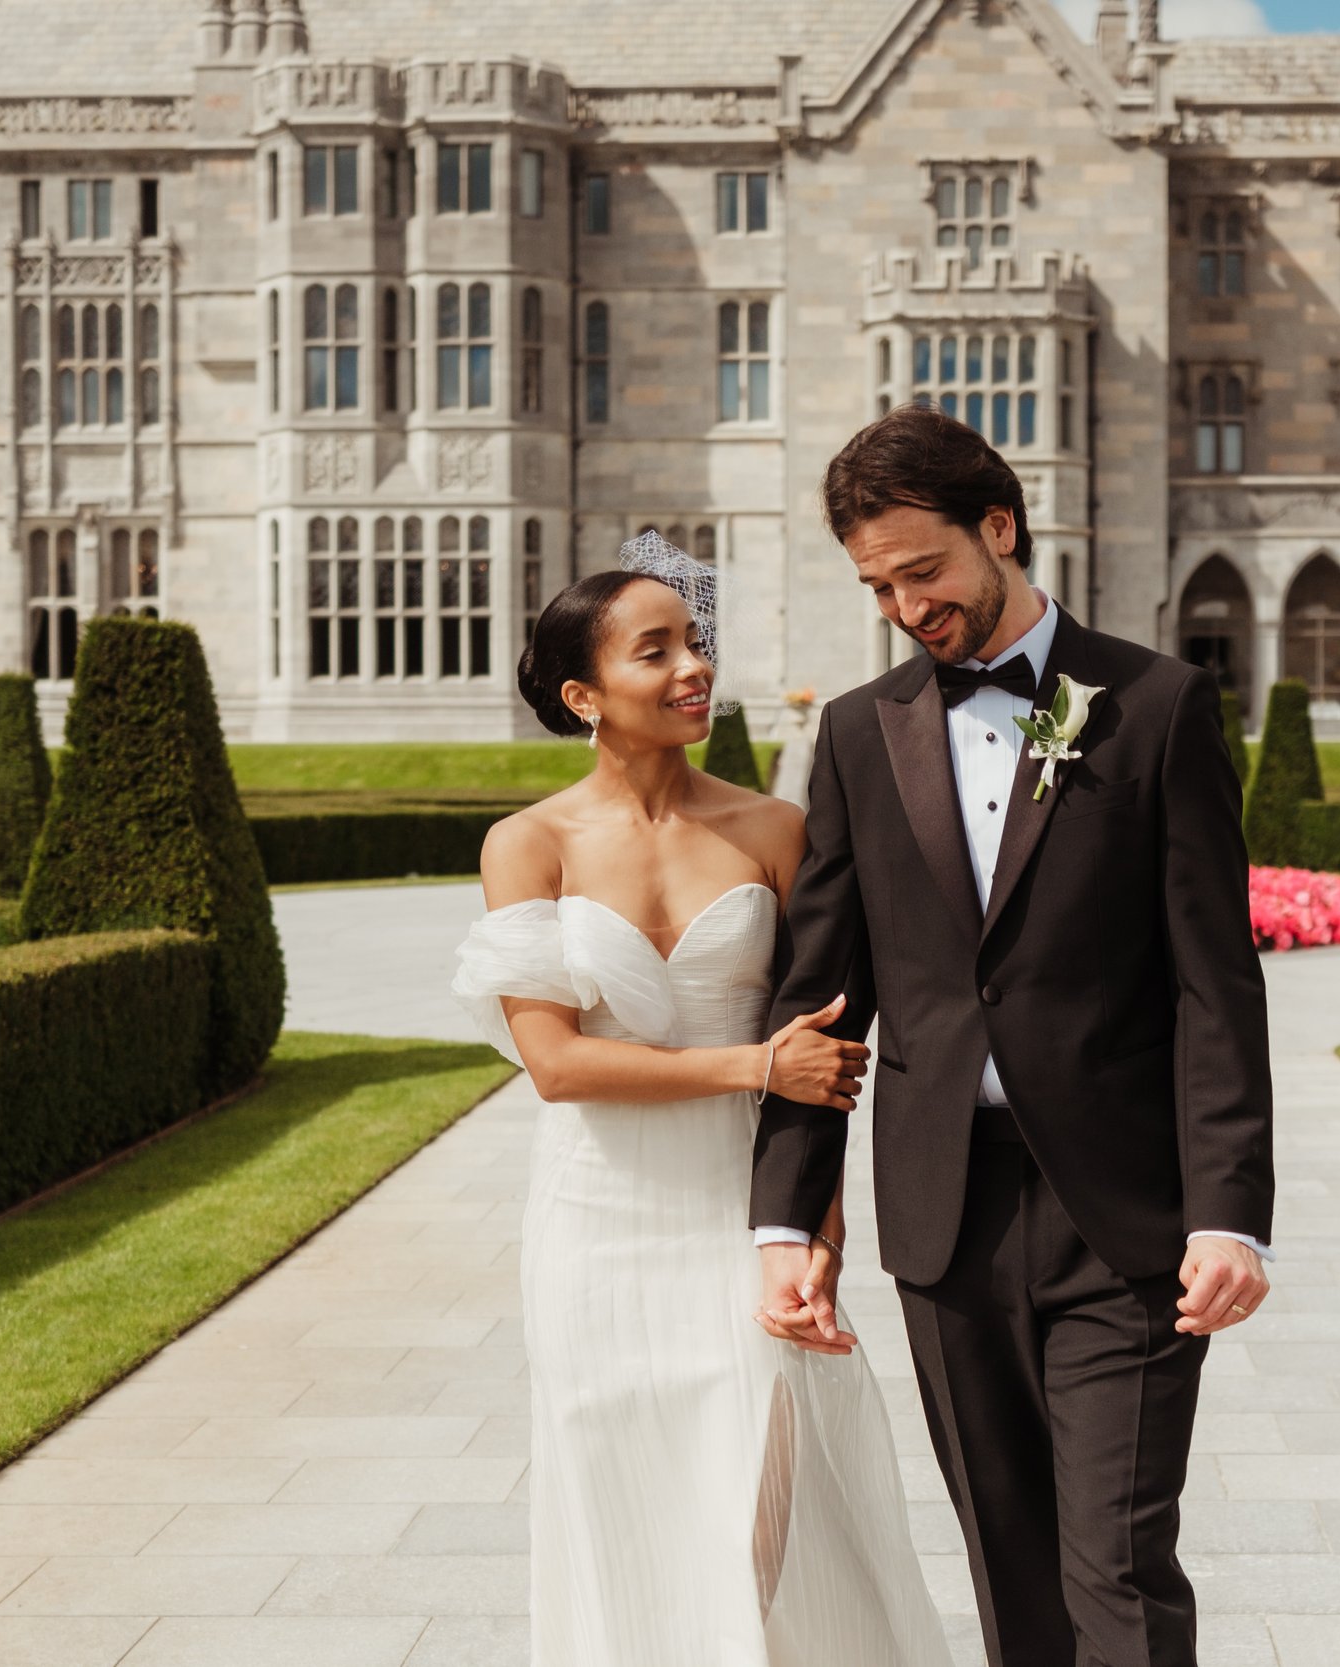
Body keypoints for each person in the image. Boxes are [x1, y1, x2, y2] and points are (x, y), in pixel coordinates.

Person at [751, 405, 1276, 1666]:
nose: (900, 606)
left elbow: (1215, 981)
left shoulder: (1153, 704)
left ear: (999, 527)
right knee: (1009, 1563)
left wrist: (1230, 1211)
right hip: (945, 1216)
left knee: (1119, 1564)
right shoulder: (858, 734)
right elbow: (816, 998)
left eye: (920, 570)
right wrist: (786, 1218)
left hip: (1124, 1214)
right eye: (874, 584)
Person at [450, 535, 949, 1666]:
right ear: (583, 694)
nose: (693, 668)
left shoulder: (774, 830)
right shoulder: (526, 845)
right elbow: (558, 1065)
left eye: (695, 641)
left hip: (743, 1210)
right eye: (656, 650)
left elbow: (823, 1054)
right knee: (618, 1503)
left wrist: (817, 1234)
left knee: (755, 1511)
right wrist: (751, 1066)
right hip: (595, 1221)